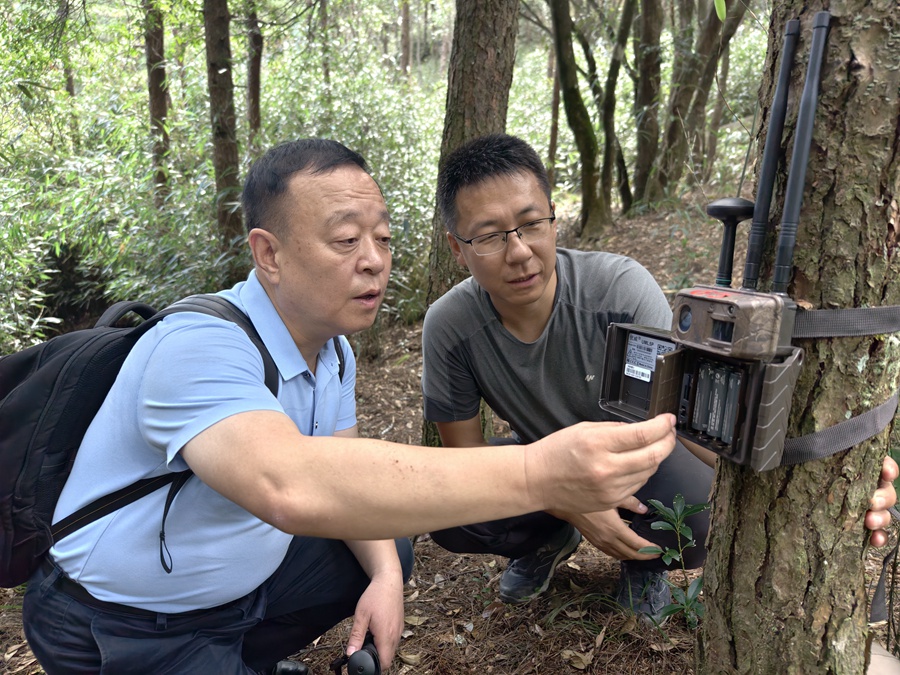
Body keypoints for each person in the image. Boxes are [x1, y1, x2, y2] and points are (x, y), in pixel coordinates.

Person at [22, 139, 682, 675]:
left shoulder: (332, 349)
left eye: (384, 239)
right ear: (268, 254)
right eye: (345, 241)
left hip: (237, 593)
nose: (374, 262)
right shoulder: (197, 343)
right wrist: (541, 475)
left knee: (384, 539)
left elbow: (340, 467)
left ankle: (242, 651)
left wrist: (388, 577)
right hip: (120, 621)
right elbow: (288, 483)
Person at [420, 133, 899, 622]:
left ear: (553, 218)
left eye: (530, 224)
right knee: (448, 505)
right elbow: (464, 459)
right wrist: (564, 500)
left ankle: (644, 562)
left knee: (705, 515)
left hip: (641, 462)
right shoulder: (450, 327)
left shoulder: (618, 289)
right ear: (458, 249)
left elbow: (688, 421)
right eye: (489, 236)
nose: (519, 252)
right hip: (541, 468)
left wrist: (817, 466)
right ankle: (546, 540)